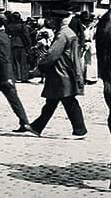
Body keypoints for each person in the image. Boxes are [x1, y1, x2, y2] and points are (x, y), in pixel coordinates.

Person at [29, 10, 87, 138]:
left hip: (61, 72)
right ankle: (36, 127)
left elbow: (52, 54)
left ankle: (80, 130)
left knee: (68, 100)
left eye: (51, 19)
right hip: (62, 71)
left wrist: (40, 66)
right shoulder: (67, 33)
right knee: (52, 101)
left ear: (57, 20)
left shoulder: (62, 35)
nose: (49, 22)